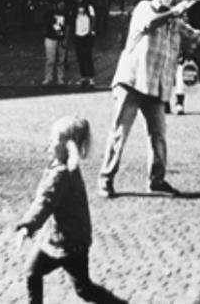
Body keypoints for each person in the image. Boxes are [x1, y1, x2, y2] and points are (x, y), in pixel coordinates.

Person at [96, 0, 200, 197]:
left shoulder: (176, 23)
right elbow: (148, 24)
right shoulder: (144, 7)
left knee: (158, 134)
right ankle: (106, 179)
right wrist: (174, 12)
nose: (187, 4)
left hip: (156, 85)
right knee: (120, 132)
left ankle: (156, 181)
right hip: (132, 81)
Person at [14, 116, 127, 304]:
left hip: (68, 243)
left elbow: (45, 202)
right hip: (62, 238)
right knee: (42, 275)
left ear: (68, 147)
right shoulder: (66, 166)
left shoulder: (61, 174)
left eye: (54, 139)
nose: (49, 142)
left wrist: (27, 226)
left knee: (78, 287)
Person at [72, 0, 97, 88]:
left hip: (87, 34)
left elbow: (93, 18)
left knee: (88, 56)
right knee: (80, 57)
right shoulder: (74, 8)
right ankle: (83, 76)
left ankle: (91, 78)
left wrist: (91, 30)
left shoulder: (89, 7)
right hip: (78, 34)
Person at [43, 0, 68, 86]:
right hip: (51, 37)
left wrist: (65, 38)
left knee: (60, 60)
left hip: (60, 38)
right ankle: (48, 77)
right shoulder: (50, 12)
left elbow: (67, 26)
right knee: (50, 59)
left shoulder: (65, 13)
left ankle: (59, 78)